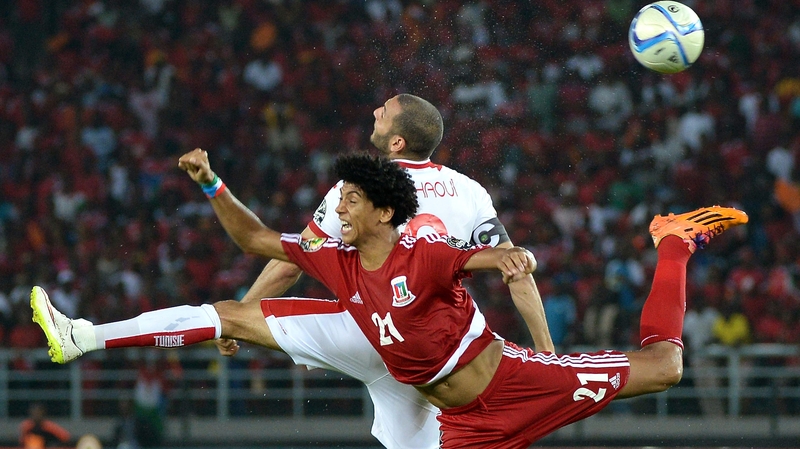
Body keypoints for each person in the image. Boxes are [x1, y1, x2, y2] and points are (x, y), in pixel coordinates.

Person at [33, 151, 748, 447]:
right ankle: (85, 334)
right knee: (232, 313)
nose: (335, 208)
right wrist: (211, 183)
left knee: (665, 366)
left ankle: (673, 241)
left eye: (347, 199)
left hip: (508, 382)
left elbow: (483, 258)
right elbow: (255, 242)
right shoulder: (336, 259)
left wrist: (507, 255)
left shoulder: (425, 253)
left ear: (382, 210)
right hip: (457, 421)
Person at [34, 94, 555, 449]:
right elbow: (516, 271)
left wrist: (243, 312)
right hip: (432, 356)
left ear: (396, 143)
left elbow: (290, 260)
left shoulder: (356, 191)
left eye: (385, 110)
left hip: (368, 331)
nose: (376, 110)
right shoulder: (470, 191)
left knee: (222, 316)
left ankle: (84, 337)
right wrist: (547, 355)